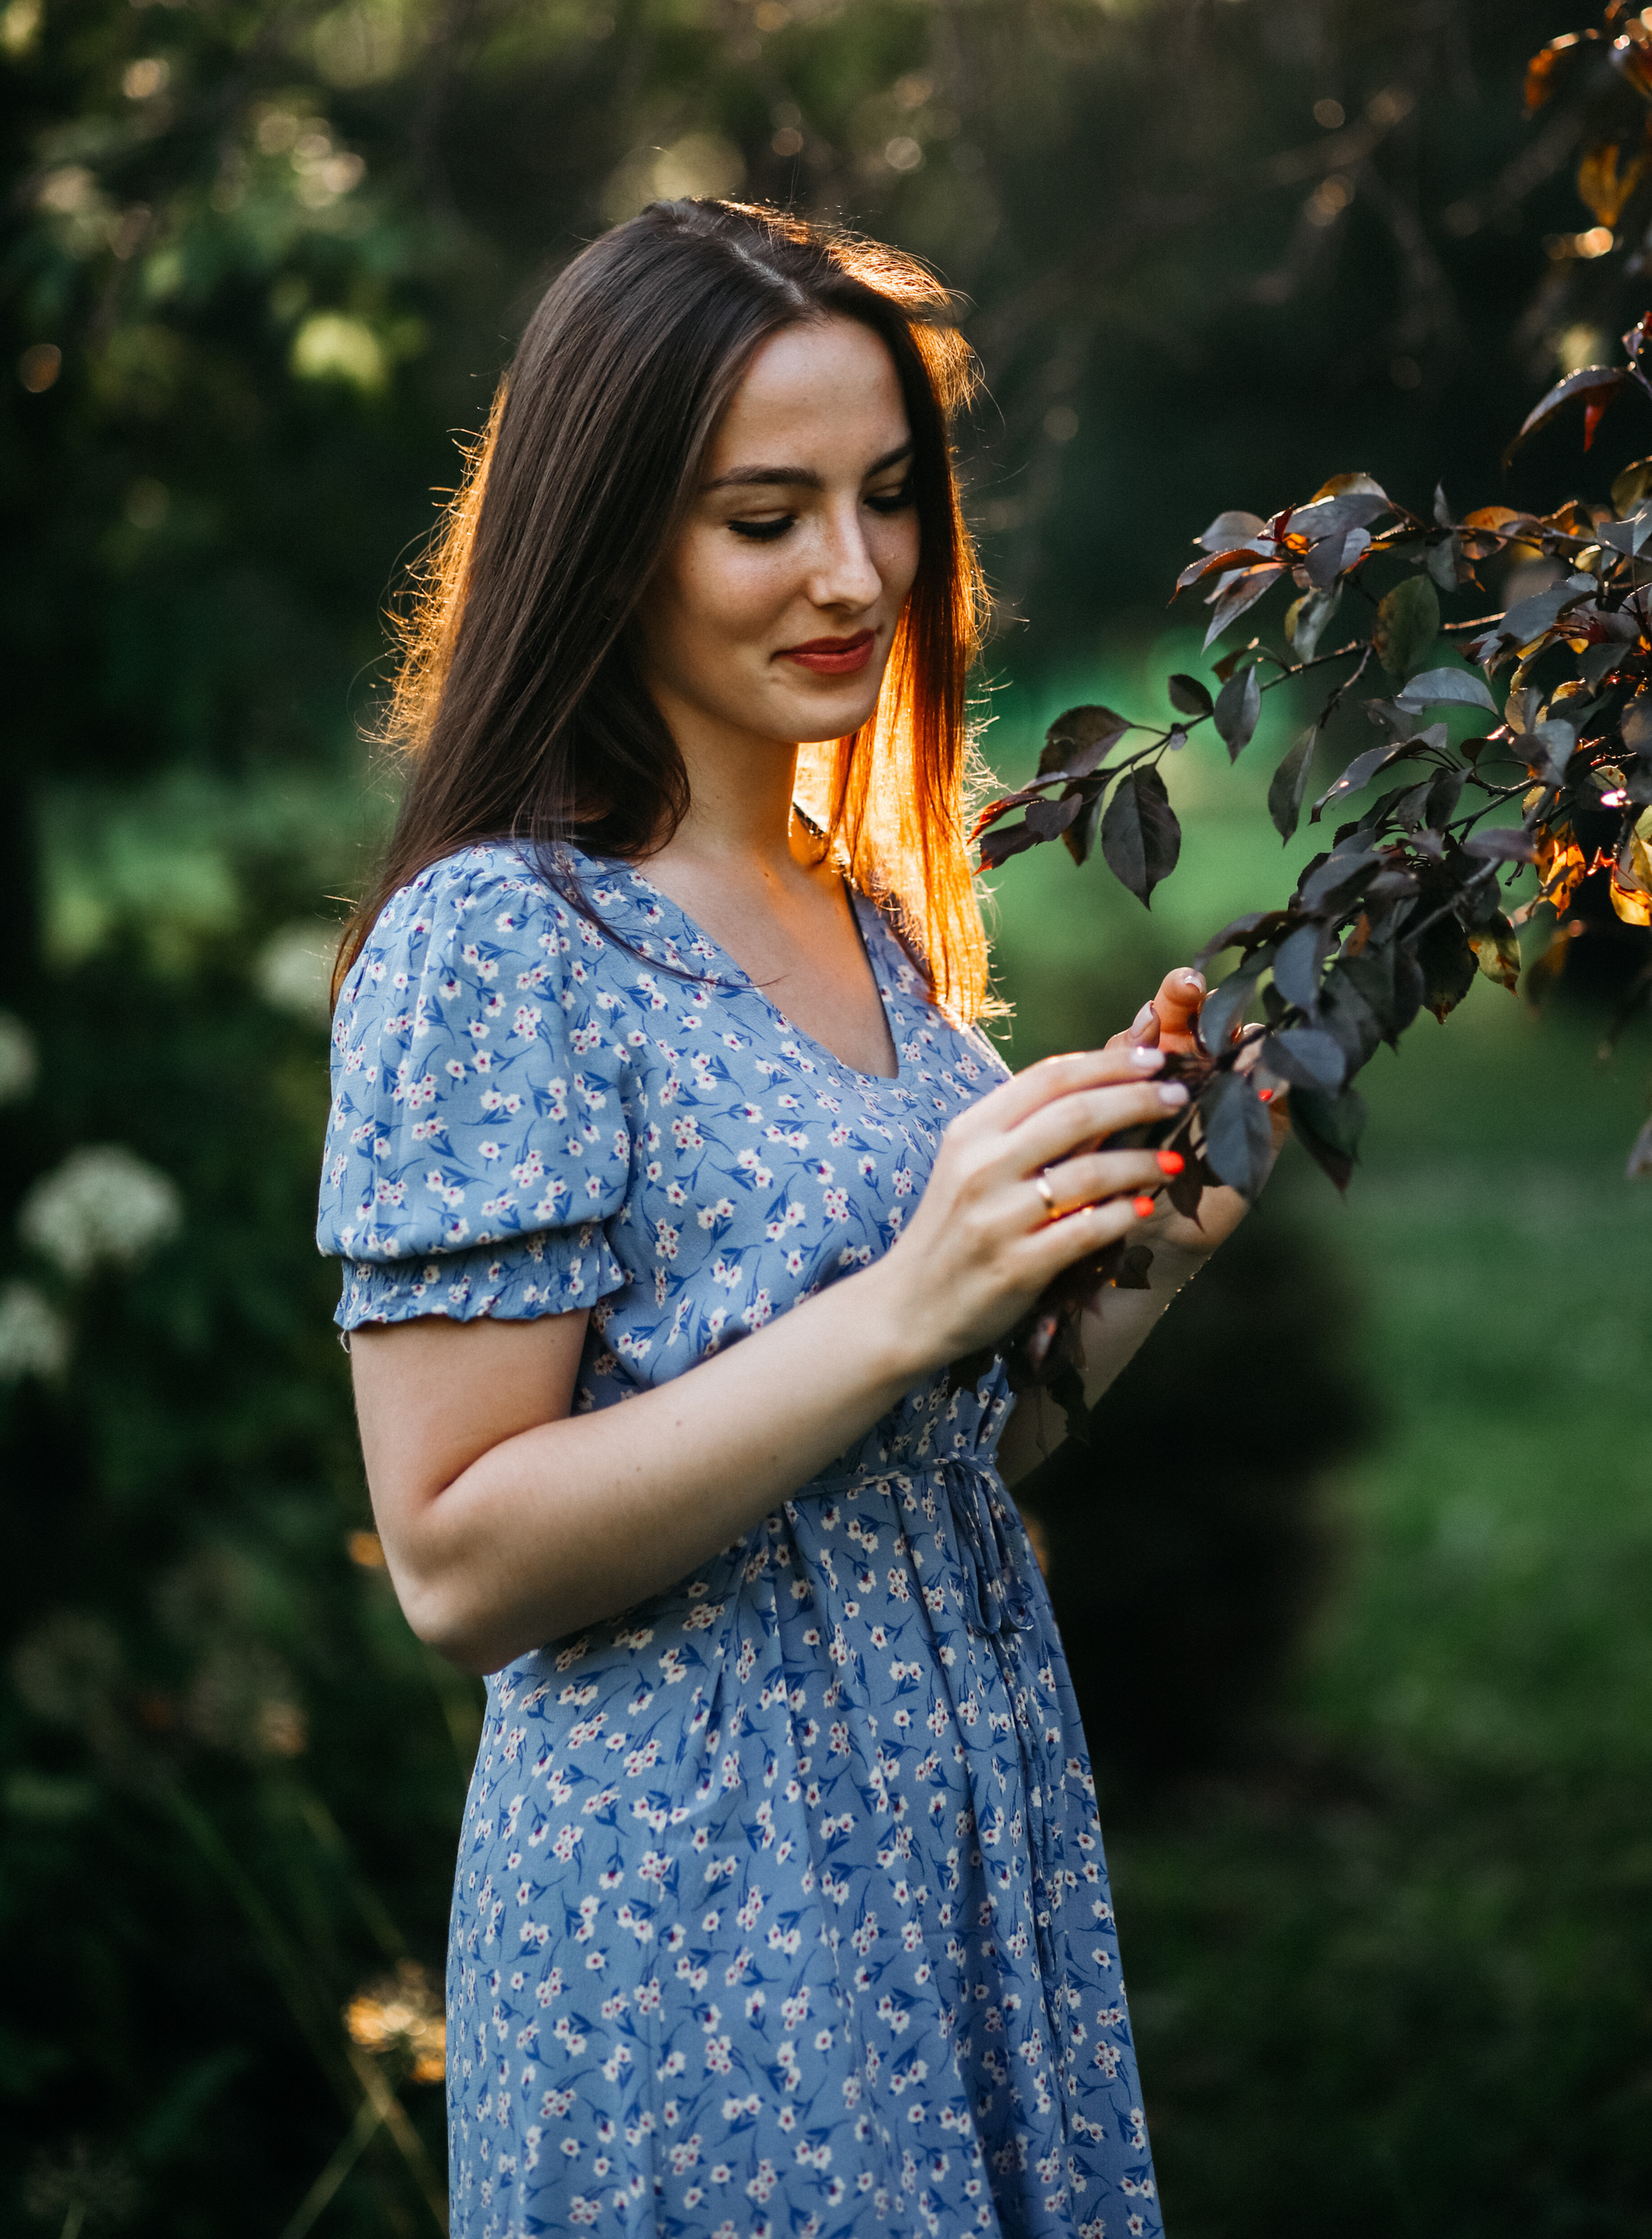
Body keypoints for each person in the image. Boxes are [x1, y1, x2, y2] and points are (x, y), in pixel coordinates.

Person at [318, 199, 1252, 2238]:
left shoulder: (875, 915)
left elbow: (923, 1457)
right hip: (697, 1906)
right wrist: (913, 1298)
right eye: (767, 515)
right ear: (612, 533)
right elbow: (458, 1558)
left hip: (954, 1833)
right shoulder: (502, 944)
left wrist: (1114, 1264)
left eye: (890, 498)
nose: (855, 572)